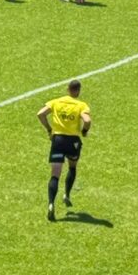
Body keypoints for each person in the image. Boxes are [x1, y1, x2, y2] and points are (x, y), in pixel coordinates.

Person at [36, 80, 92, 222]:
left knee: (55, 175)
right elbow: (87, 120)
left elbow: (40, 114)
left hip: (58, 140)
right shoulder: (81, 105)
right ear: (78, 91)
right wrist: (84, 131)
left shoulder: (56, 102)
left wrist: (49, 129)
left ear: (68, 89)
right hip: (73, 142)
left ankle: (51, 203)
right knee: (72, 167)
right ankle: (66, 194)